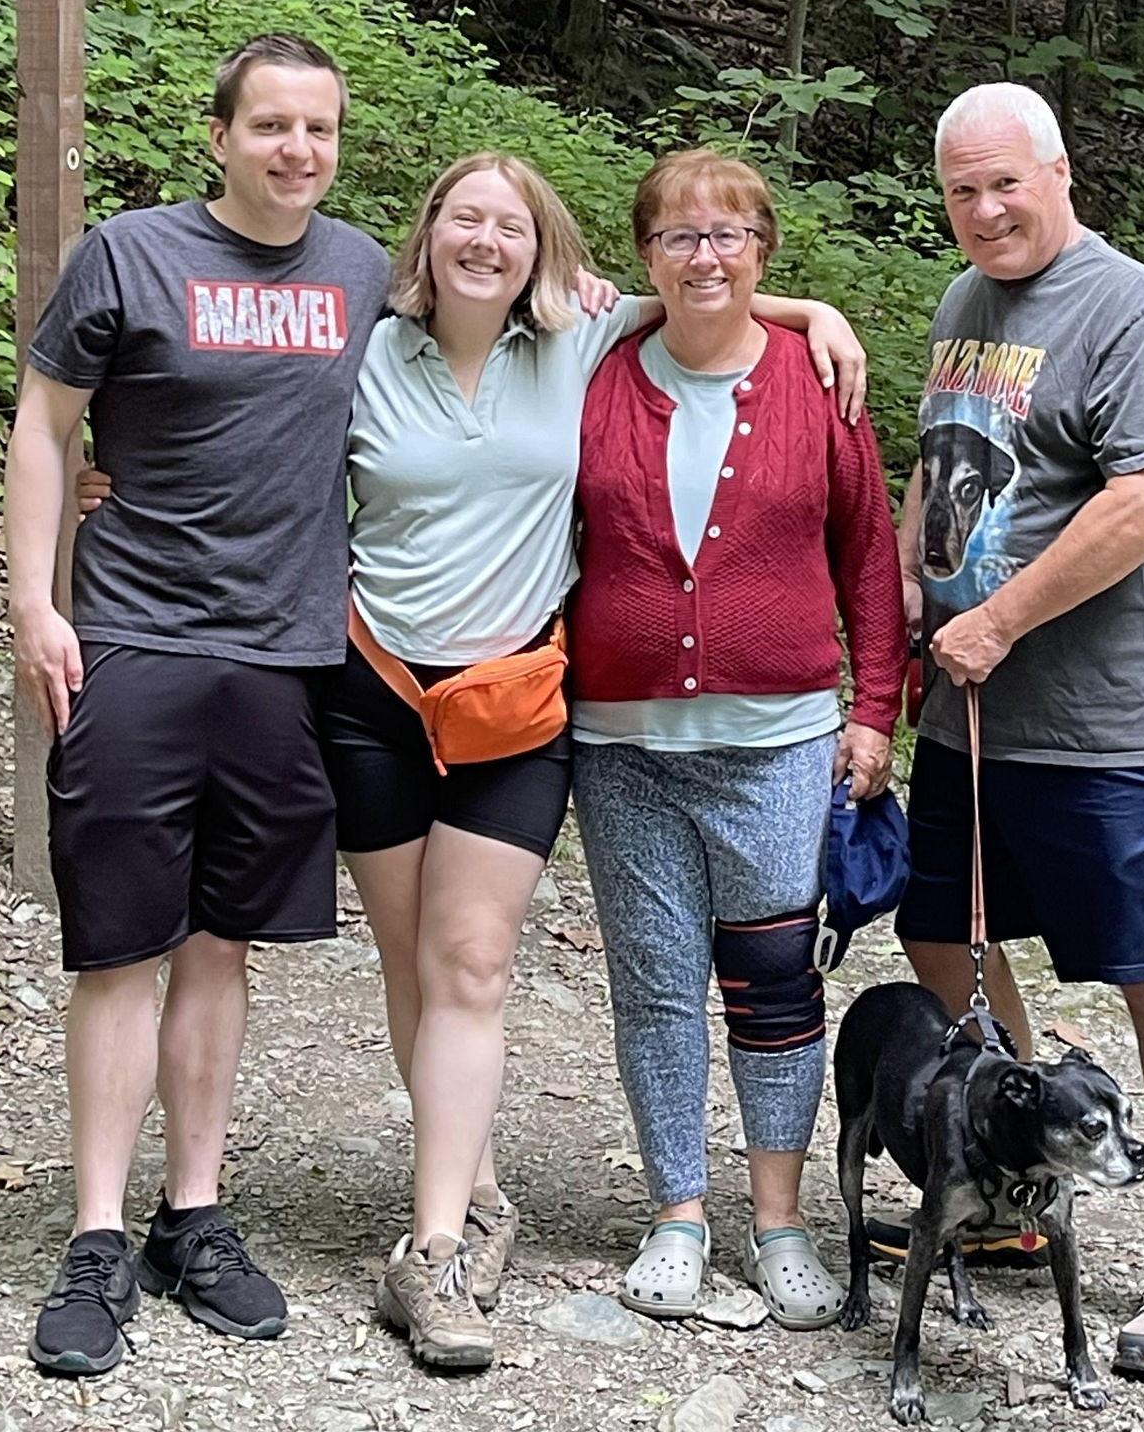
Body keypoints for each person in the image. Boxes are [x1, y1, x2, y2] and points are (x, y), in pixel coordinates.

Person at [310, 153, 868, 1371]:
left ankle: (445, 1238)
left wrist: (809, 311)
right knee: (421, 958)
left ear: (544, 251)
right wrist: (122, 478)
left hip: (521, 701)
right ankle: (473, 1193)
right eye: (464, 216)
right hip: (385, 689)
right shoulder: (367, 344)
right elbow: (257, 438)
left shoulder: (573, 340)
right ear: (428, 230)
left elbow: (707, 294)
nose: (485, 239)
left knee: (481, 955)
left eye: (510, 224)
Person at [5, 34, 390, 1378]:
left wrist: (796, 314)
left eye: (320, 130)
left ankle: (196, 1216)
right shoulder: (130, 253)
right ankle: (98, 1234)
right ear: (219, 134)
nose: (298, 150)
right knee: (121, 942)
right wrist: (37, 602)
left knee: (224, 943)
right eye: (272, 125)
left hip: (285, 658)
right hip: (133, 639)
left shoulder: (360, 273)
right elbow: (47, 426)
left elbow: (518, 306)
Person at [892, 81, 1144, 1383]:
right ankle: (1017, 1155)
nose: (985, 211)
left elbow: (1143, 506)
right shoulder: (966, 302)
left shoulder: (1133, 311)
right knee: (935, 930)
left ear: (1059, 172)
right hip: (973, 718)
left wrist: (998, 618)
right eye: (961, 191)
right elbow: (943, 464)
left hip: (1112, 731)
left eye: (1005, 184)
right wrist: (903, 588)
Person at [567, 149, 906, 1329]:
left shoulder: (819, 384)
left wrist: (874, 711)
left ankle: (777, 1218)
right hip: (618, 745)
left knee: (771, 984)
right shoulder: (598, 371)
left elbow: (868, 555)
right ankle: (675, 1210)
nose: (703, 256)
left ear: (763, 247)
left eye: (727, 235)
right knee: (654, 983)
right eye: (677, 235)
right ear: (643, 255)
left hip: (776, 741)